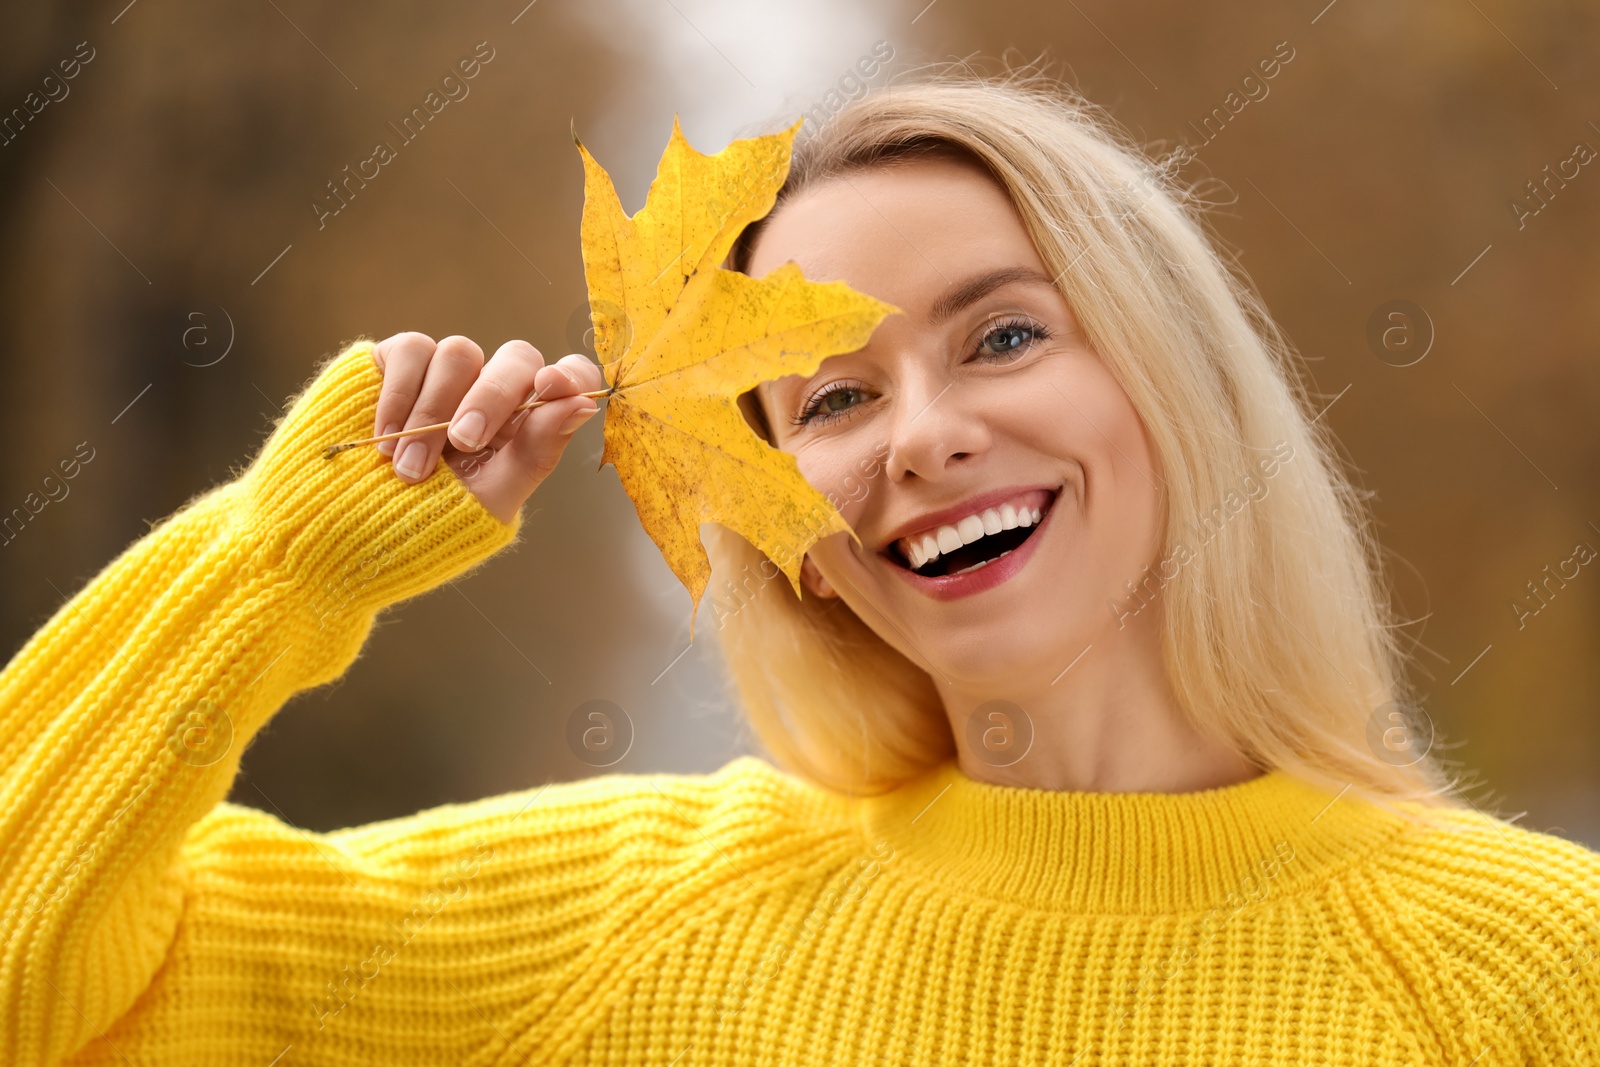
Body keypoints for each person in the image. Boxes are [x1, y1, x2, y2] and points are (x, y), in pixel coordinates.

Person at [2, 68, 1597, 1067]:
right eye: (833, 398)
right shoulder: (620, 921)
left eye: (1005, 335)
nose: (922, 435)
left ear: (1173, 387)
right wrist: (277, 567)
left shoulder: (1530, 970)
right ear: (801, 547)